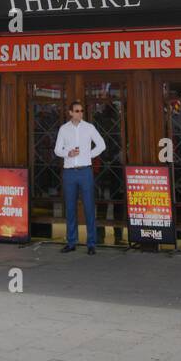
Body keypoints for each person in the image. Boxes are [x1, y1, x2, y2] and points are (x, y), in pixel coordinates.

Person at [54, 100, 106, 255]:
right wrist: (67, 153)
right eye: (77, 111)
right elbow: (57, 150)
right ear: (70, 113)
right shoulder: (64, 129)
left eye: (81, 110)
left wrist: (87, 155)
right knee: (70, 208)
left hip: (85, 171)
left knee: (89, 207)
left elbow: (102, 145)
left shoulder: (89, 127)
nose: (80, 113)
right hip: (69, 172)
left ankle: (91, 243)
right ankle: (71, 242)